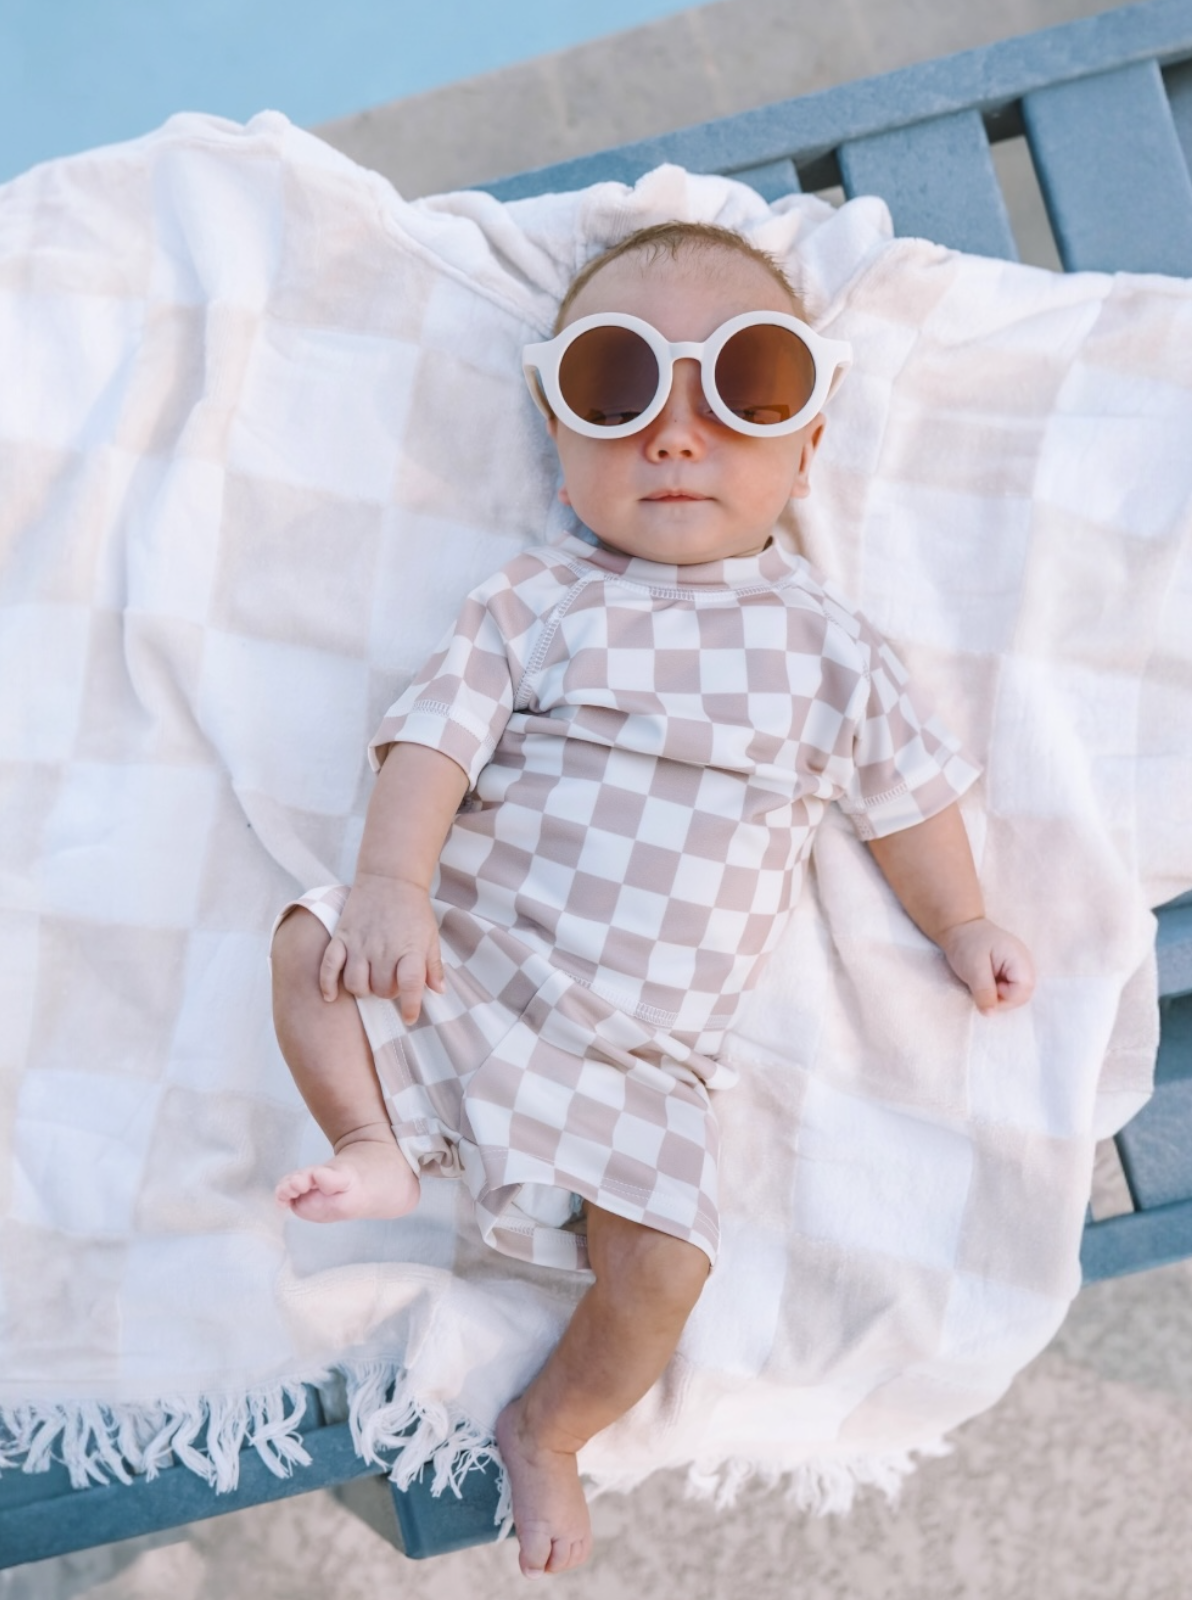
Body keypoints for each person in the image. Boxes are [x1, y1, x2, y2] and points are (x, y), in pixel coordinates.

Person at [270, 221, 1035, 1578]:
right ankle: (374, 1139)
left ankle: (553, 1427)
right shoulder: (534, 601)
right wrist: (394, 885)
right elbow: (430, 745)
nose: (676, 437)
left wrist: (962, 921)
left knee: (670, 1269)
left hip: (643, 1067)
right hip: (475, 975)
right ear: (558, 446)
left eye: (746, 386)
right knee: (309, 939)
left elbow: (908, 801)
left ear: (809, 450)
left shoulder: (827, 646)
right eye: (619, 390)